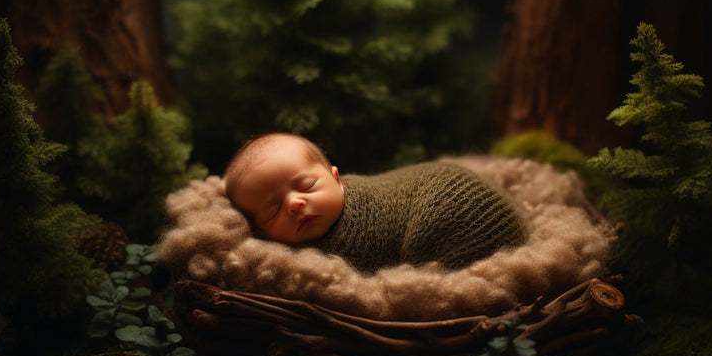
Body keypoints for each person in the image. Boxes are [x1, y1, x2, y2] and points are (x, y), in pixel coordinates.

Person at [225, 133, 526, 273]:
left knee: (443, 227)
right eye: (273, 210)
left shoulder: (355, 233)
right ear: (259, 232)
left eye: (307, 186)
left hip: (465, 212)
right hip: (446, 208)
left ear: (337, 179)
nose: (295, 204)